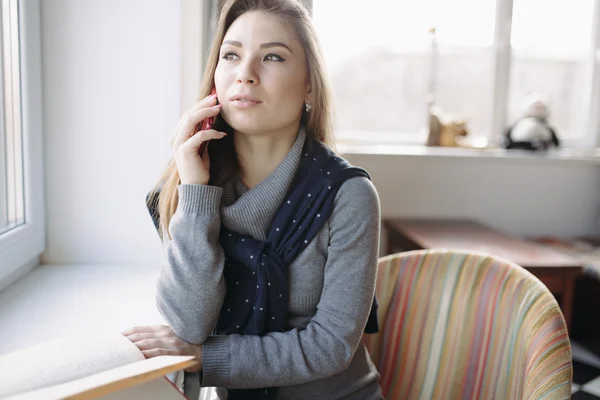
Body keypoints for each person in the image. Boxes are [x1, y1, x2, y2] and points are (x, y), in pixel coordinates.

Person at [122, 0, 383, 398]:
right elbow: (188, 324)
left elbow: (331, 347)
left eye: (273, 57)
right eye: (231, 55)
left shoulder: (348, 195)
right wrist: (195, 192)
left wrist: (204, 357)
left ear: (310, 83)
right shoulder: (191, 184)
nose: (245, 74)